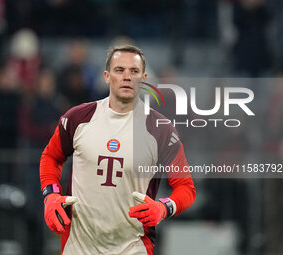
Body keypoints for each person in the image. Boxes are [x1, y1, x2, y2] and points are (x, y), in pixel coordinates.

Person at [39, 45, 196, 255]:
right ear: (106, 76)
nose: (127, 77)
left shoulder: (161, 130)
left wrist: (163, 207)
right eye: (119, 70)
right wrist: (50, 195)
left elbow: (185, 187)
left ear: (144, 78)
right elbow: (51, 156)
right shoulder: (77, 118)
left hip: (133, 247)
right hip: (78, 247)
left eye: (134, 71)